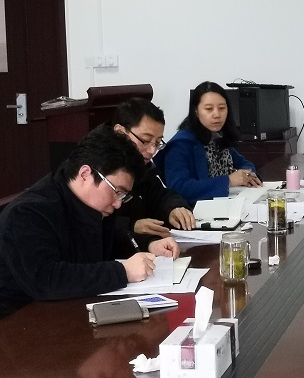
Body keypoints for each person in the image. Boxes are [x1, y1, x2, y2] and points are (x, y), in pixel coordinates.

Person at [0, 124, 180, 318]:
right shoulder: (28, 213)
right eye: (117, 191)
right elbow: (46, 279)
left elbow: (106, 241)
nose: (118, 203)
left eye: (124, 195)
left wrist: (149, 244)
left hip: (67, 312)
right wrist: (122, 272)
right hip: (18, 322)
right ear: (85, 174)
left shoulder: (88, 204)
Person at [157, 81, 261, 203]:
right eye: (209, 109)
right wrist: (228, 181)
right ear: (196, 111)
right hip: (196, 209)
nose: (217, 114)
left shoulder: (218, 136)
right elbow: (179, 188)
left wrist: (247, 175)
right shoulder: (181, 144)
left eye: (222, 108)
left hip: (226, 203)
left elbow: (244, 163)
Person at [111, 97, 196, 236]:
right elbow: (93, 218)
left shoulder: (143, 168)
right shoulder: (100, 167)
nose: (152, 151)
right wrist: (131, 225)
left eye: (157, 143)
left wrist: (174, 209)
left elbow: (160, 195)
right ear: (120, 132)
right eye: (145, 140)